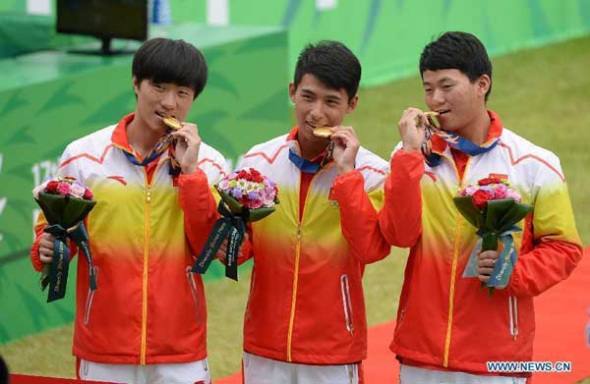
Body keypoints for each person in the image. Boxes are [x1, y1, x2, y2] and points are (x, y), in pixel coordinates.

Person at [379, 31, 583, 383]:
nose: (435, 99)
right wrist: (408, 158)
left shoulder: (534, 163)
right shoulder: (410, 156)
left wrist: (511, 271)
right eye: (428, 89)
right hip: (421, 355)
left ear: (481, 84)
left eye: (446, 86)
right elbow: (398, 234)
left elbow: (564, 248)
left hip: (498, 360)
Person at [30, 38, 226, 384]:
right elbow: (55, 230)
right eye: (158, 87)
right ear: (136, 83)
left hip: (180, 350)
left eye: (182, 93)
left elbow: (209, 249)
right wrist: (47, 248)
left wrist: (191, 176)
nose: (168, 103)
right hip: (104, 346)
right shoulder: (84, 156)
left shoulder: (209, 163)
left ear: (195, 98)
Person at [202, 40, 390, 383]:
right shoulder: (259, 161)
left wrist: (347, 177)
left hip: (333, 350)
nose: (316, 112)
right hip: (264, 347)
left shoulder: (373, 173)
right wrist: (224, 242)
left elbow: (370, 249)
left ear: (352, 104)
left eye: (331, 101)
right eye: (308, 97)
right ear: (292, 91)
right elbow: (243, 250)